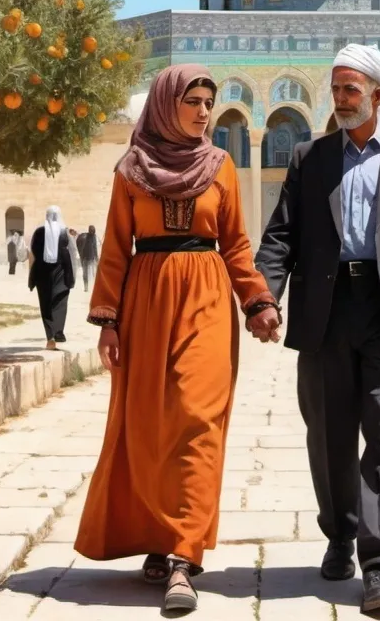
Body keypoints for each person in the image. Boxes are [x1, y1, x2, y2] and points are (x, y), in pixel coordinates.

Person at [75, 65, 280, 615]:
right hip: (145, 303)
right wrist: (108, 321)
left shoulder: (222, 167)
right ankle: (158, 538)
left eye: (209, 102)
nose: (204, 111)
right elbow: (117, 247)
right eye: (193, 100)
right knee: (148, 424)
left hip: (207, 301)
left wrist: (257, 301)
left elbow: (236, 243)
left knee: (196, 417)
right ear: (168, 104)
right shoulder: (131, 170)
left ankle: (184, 559)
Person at [255, 43, 380, 615]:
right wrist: (264, 297)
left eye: (351, 90)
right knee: (329, 436)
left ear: (379, 97)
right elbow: (280, 237)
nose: (340, 100)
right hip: (325, 309)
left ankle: (379, 562)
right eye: (336, 88)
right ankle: (340, 533)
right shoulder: (309, 159)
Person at [29, 207, 74, 349]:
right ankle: (58, 330)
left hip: (43, 273)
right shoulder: (63, 232)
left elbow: (34, 252)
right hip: (61, 272)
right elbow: (68, 253)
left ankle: (50, 336)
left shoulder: (39, 232)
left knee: (46, 303)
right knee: (60, 301)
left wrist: (32, 275)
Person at [78, 224, 98, 292]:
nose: (92, 232)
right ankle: (87, 287)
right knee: (88, 274)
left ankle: (89, 287)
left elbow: (94, 248)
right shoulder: (88, 237)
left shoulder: (89, 236)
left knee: (89, 273)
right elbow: (94, 248)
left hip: (88, 258)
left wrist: (96, 258)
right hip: (87, 258)